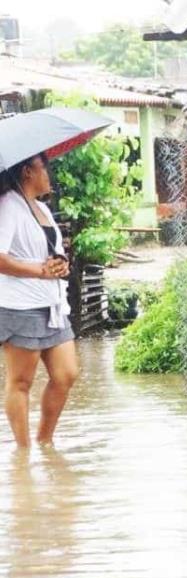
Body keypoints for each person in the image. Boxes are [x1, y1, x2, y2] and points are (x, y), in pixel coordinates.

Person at [0, 154, 78, 449]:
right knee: (21, 382)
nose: (49, 174)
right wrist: (38, 271)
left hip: (52, 304)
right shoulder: (8, 205)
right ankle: (24, 452)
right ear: (27, 172)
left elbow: (52, 254)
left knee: (66, 374)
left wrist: (61, 265)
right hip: (20, 305)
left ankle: (45, 442)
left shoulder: (41, 208)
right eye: (44, 167)